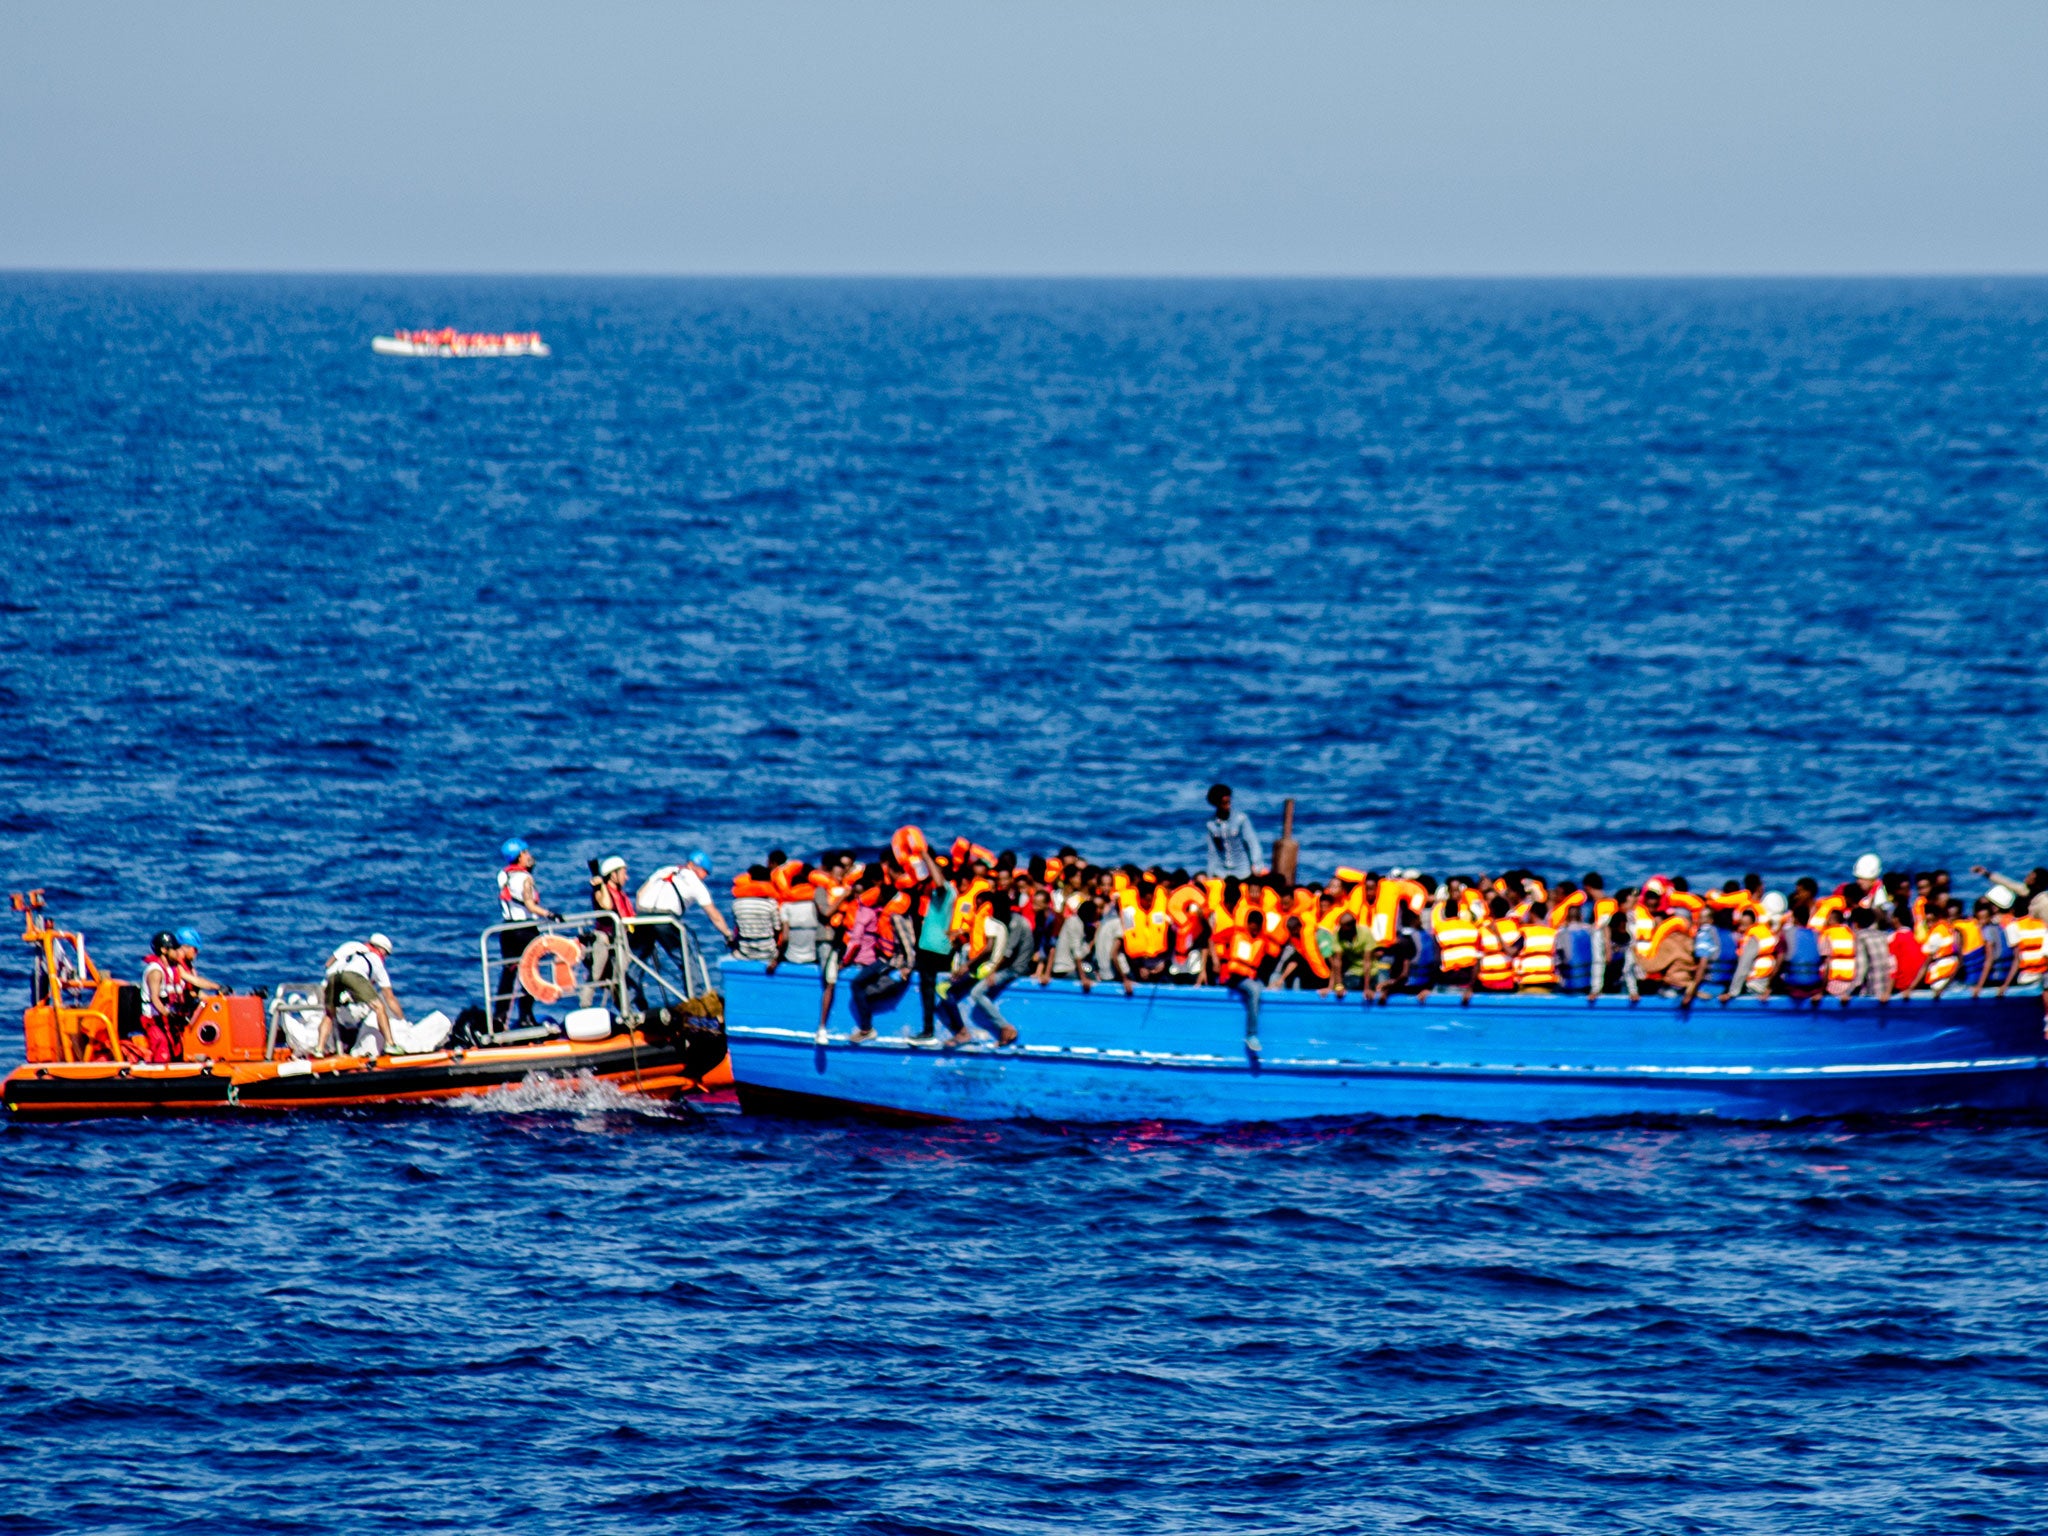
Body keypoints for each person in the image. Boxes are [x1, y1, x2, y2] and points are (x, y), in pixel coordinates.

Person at [947, 889, 1027, 1045]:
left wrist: (988, 971)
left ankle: (1005, 1027)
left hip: (1006, 968)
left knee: (975, 992)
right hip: (996, 966)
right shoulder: (1001, 923)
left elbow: (995, 951)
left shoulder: (1005, 922)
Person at [494, 838, 559, 1029]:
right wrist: (551, 915)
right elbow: (530, 904)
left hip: (507, 929)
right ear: (520, 856)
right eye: (526, 853)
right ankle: (525, 1015)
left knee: (509, 973)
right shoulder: (525, 879)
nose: (530, 856)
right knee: (530, 971)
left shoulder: (503, 875)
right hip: (524, 929)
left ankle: (500, 1016)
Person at [634, 851, 735, 959]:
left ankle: (627, 975)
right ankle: (693, 976)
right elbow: (713, 915)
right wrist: (728, 934)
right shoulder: (695, 883)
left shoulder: (664, 870)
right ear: (692, 865)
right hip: (665, 920)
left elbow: (640, 893)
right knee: (686, 958)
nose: (705, 876)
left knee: (638, 956)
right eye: (704, 872)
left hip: (641, 918)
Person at [322, 933, 404, 1056]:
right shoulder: (376, 961)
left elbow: (328, 964)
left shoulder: (351, 946)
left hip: (329, 982)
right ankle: (390, 1044)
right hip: (352, 983)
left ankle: (319, 1048)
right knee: (379, 1007)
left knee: (329, 1015)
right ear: (381, 950)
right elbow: (389, 997)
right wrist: (402, 1020)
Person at [585, 856, 640, 1007]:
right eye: (623, 873)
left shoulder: (621, 894)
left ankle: (624, 1007)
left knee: (621, 974)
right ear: (613, 874)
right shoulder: (599, 891)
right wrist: (601, 885)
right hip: (603, 937)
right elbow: (607, 905)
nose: (626, 877)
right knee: (596, 973)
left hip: (620, 938)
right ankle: (585, 1005)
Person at [1203, 784, 1265, 879]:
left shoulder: (1241, 819)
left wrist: (1256, 866)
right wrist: (1210, 875)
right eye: (1224, 803)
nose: (1228, 806)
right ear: (1217, 804)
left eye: (1229, 802)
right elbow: (1213, 852)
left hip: (1243, 872)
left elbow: (1252, 844)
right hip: (1222, 873)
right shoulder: (1211, 824)